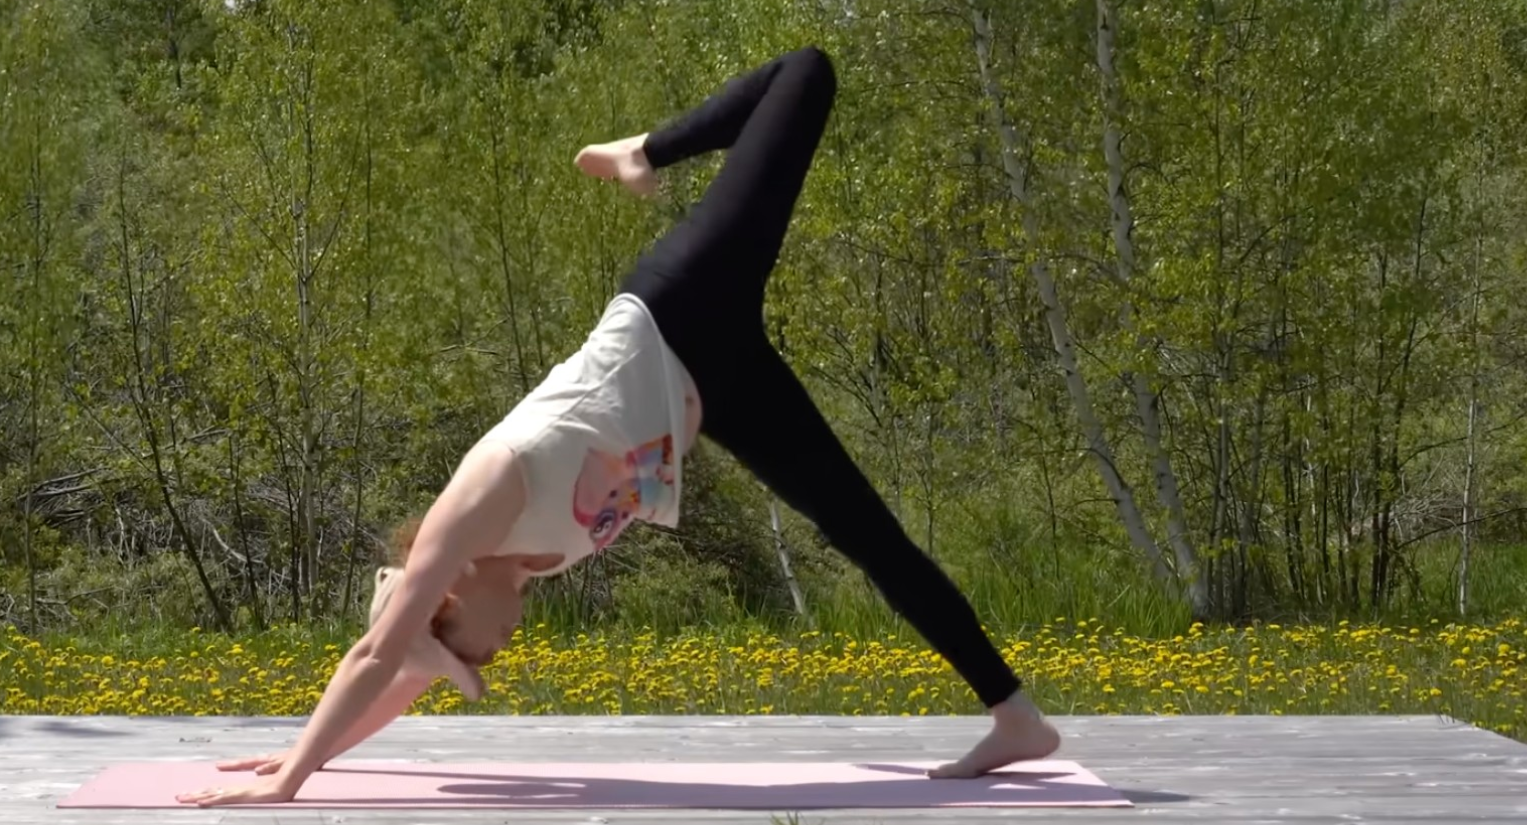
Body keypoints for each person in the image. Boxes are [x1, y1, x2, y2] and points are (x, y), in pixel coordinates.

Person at [176, 47, 1060, 808]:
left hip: (680, 307)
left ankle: (643, 150)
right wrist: (307, 754)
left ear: (446, 603)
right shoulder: (520, 566)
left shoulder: (477, 501)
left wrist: (287, 785)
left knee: (806, 74)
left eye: (476, 652)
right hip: (717, 391)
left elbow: (379, 651)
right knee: (868, 534)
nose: (500, 653)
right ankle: (1017, 717)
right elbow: (398, 676)